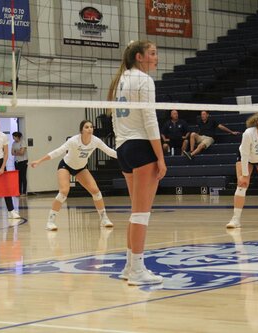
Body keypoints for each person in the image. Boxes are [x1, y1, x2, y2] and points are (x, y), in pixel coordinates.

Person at [107, 40, 166, 286]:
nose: (157, 58)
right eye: (153, 53)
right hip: (141, 148)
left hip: (124, 149)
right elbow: (150, 120)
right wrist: (160, 158)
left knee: (135, 213)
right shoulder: (144, 81)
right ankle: (138, 271)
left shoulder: (120, 80)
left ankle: (130, 266)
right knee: (141, 214)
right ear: (140, 57)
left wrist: (122, 145)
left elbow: (113, 120)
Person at [30, 120, 117, 231]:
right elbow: (57, 152)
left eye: (91, 127)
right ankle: (50, 221)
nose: (90, 129)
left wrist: (124, 157)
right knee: (64, 192)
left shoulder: (96, 141)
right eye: (86, 127)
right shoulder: (73, 141)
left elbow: (110, 152)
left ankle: (104, 219)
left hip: (81, 168)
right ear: (81, 130)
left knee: (96, 191)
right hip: (66, 166)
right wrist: (39, 161)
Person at [11, 131, 28, 196]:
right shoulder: (13, 143)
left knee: (23, 176)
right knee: (18, 177)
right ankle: (19, 192)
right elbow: (12, 153)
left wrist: (16, 151)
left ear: (17, 137)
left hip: (23, 161)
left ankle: (24, 192)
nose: (13, 138)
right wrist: (18, 151)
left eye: (14, 137)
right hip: (17, 162)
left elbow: (22, 153)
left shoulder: (23, 142)